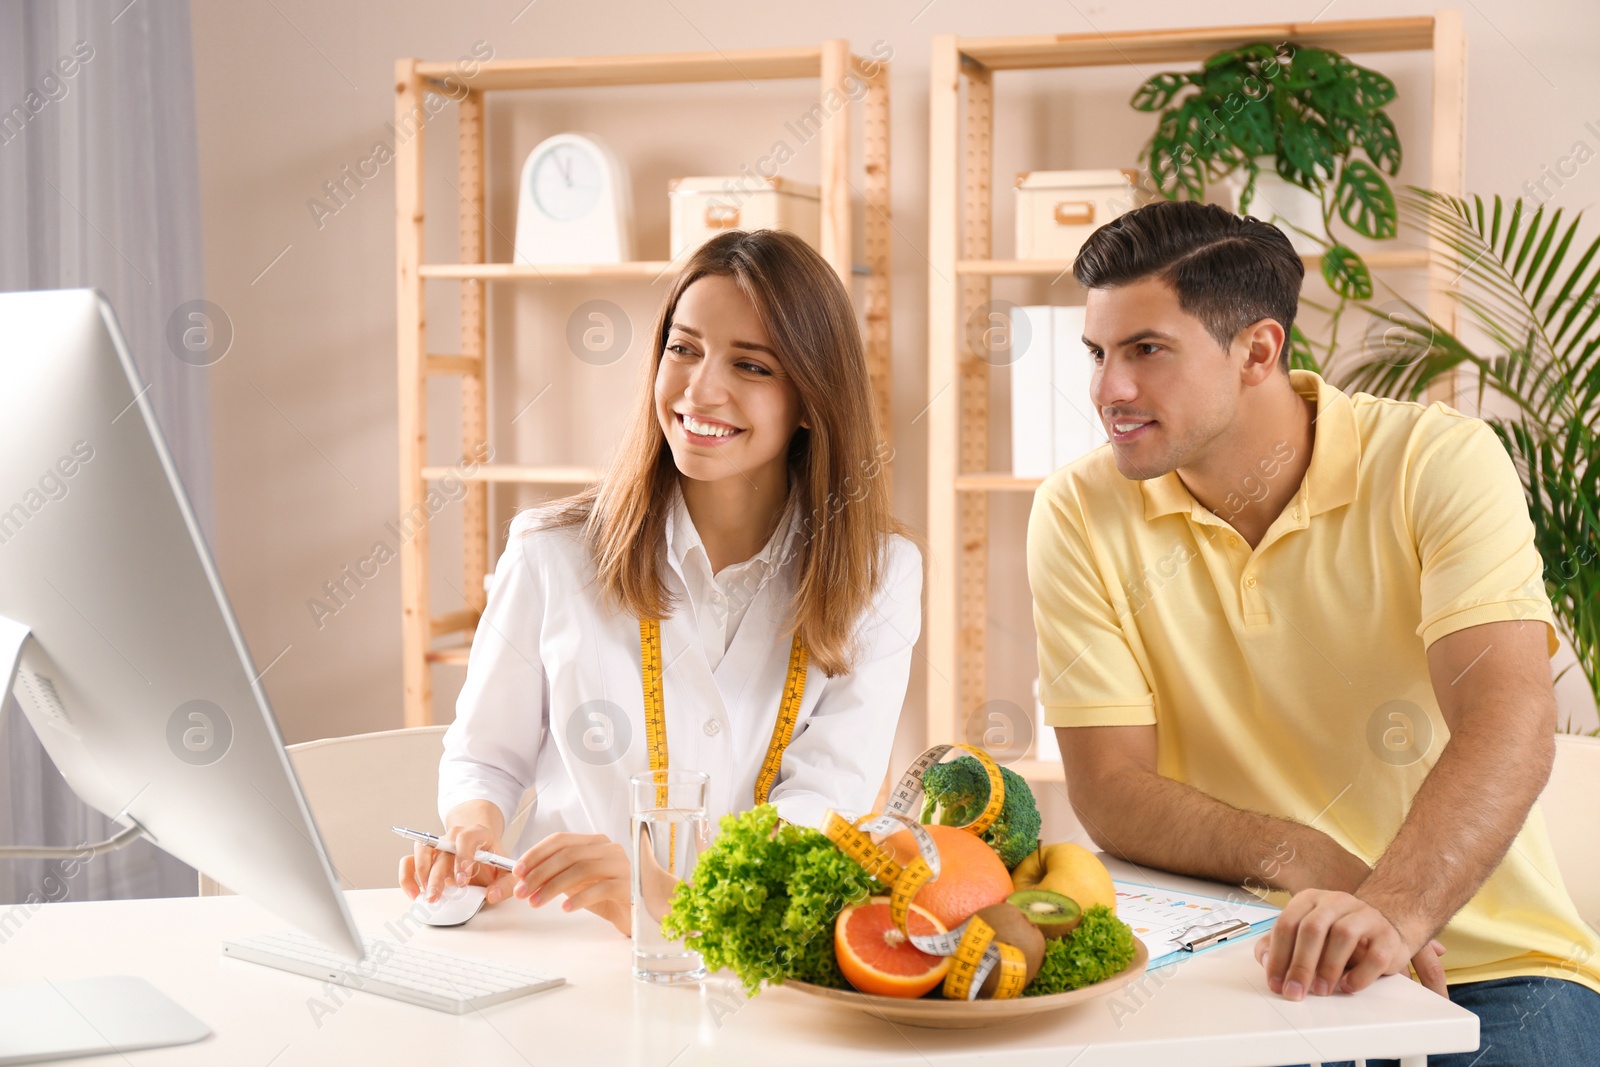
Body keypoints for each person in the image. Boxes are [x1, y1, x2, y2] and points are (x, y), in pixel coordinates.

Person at [1026, 198, 1600, 1065]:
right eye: (1098, 353)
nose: (1110, 389)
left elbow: (1507, 719)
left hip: (1492, 966)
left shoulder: (1435, 461)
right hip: (1245, 968)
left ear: (1258, 349)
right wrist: (1309, 859)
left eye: (1146, 350)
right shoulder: (1077, 511)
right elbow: (1110, 786)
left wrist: (1393, 911)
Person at [400, 230, 922, 936]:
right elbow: (485, 756)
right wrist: (471, 830)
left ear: (811, 398)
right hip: (563, 949)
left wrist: (654, 893)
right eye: (684, 348)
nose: (701, 389)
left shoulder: (879, 576)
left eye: (751, 365)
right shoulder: (550, 552)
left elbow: (824, 814)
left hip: (753, 959)